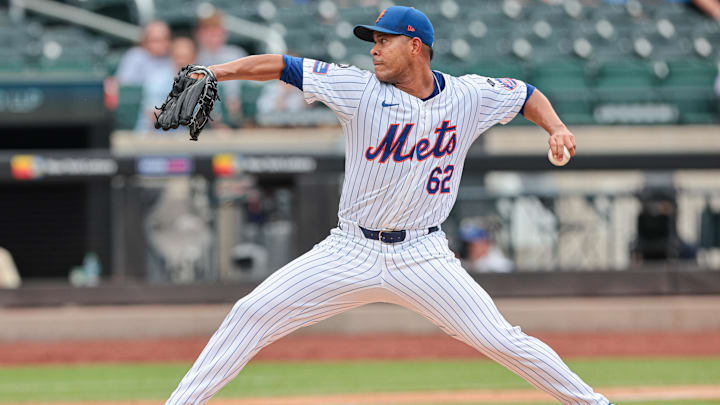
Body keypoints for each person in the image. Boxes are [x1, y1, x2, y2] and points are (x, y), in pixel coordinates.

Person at [166, 7, 617, 405]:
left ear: (416, 47)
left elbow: (525, 94)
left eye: (385, 41)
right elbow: (282, 65)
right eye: (373, 42)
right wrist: (215, 72)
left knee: (502, 339)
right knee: (251, 312)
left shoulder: (468, 95)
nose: (375, 51)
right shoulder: (357, 88)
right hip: (350, 249)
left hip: (424, 255)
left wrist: (555, 127)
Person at [194, 10, 247, 128]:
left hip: (236, 112)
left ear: (224, 33)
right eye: (208, 32)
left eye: (216, 31)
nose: (213, 37)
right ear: (199, 34)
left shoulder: (236, 53)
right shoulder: (194, 57)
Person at [135, 37, 197, 132]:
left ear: (194, 58)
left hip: (186, 138)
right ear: (171, 57)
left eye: (185, 57)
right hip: (154, 136)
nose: (181, 62)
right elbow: (154, 115)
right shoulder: (158, 79)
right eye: (178, 57)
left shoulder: (201, 80)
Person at [115, 21, 173, 85]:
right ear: (145, 41)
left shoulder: (174, 57)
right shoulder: (135, 56)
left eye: (165, 39)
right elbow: (123, 85)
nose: (162, 44)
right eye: (156, 41)